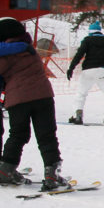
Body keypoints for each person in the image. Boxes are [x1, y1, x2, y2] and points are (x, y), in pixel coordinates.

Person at [0, 17, 69, 191]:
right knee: (47, 135)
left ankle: (6, 169)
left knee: (18, 134)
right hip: (42, 95)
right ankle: (52, 173)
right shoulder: (29, 49)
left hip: (17, 99)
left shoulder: (4, 54)